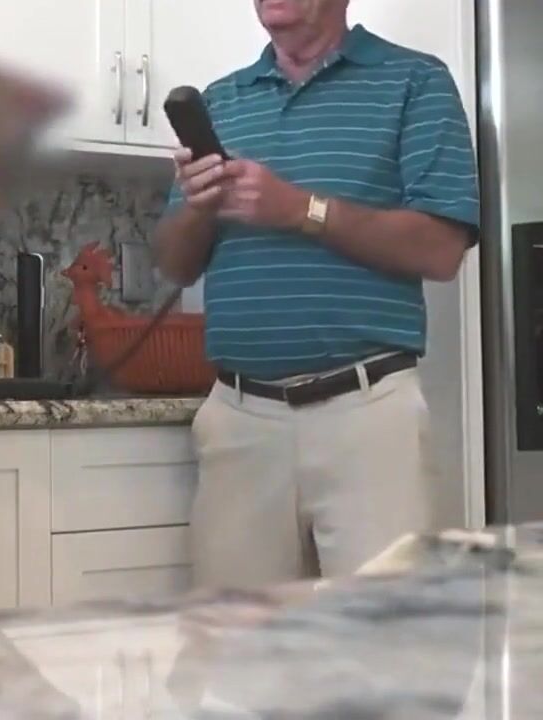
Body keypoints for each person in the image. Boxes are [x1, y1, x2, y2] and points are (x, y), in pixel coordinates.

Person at [153, 0, 479, 589]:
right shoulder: (223, 100)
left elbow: (440, 250)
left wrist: (299, 209)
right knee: (237, 639)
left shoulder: (415, 82)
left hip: (368, 418)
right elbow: (175, 265)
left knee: (378, 633)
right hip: (239, 421)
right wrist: (199, 209)